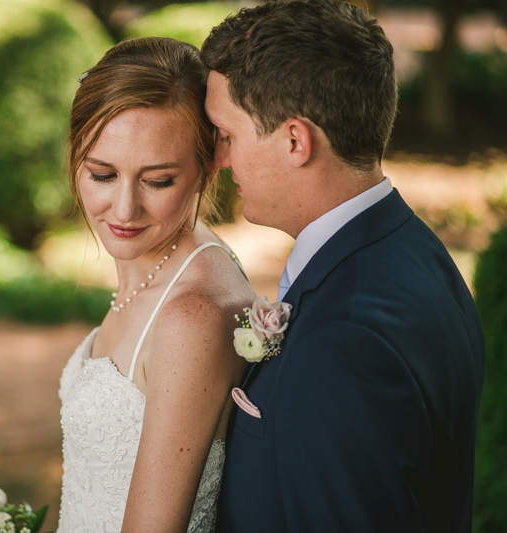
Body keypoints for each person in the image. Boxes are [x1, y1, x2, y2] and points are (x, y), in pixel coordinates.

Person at [200, 1, 486, 532]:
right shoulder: (416, 250)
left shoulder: (344, 341)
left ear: (294, 140)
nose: (219, 158)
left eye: (228, 134)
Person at [57, 37, 255, 533]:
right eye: (102, 174)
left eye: (158, 181)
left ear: (208, 168)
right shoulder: (158, 261)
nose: (123, 211)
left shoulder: (192, 315)